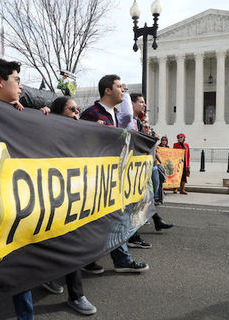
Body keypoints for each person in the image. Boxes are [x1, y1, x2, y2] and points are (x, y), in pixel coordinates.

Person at [0, 58, 35, 320]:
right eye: (16, 80)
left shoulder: (19, 113)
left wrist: (41, 120)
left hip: (14, 207)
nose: (21, 86)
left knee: (20, 268)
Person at [80, 74, 149, 273]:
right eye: (119, 87)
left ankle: (119, 259)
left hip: (113, 177)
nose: (123, 90)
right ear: (108, 90)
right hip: (95, 178)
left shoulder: (115, 114)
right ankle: (98, 260)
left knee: (116, 217)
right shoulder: (91, 114)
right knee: (97, 221)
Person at [41, 95, 97, 315]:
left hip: (74, 197)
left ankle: (59, 283)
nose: (77, 114)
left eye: (78, 110)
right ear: (57, 112)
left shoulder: (80, 133)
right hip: (51, 197)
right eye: (71, 109)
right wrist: (40, 117)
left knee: (70, 240)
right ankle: (75, 295)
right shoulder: (46, 129)